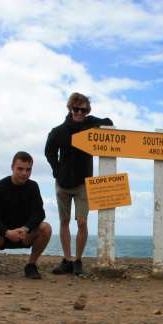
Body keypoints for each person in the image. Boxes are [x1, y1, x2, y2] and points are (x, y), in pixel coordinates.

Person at [45, 92, 113, 275]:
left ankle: (78, 260)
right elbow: (49, 151)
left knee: (82, 222)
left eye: (84, 110)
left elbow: (108, 122)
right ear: (70, 109)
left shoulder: (89, 125)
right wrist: (56, 170)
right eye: (77, 109)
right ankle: (66, 260)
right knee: (64, 221)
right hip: (63, 184)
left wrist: (90, 121)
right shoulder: (58, 131)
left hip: (83, 183)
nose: (80, 112)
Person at [0, 151, 52, 279]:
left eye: (28, 169)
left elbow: (39, 213)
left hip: (24, 234)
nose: (24, 173)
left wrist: (26, 228)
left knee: (46, 228)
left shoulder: (33, 187)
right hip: (2, 235)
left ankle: (31, 265)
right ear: (12, 167)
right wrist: (7, 232)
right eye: (20, 169)